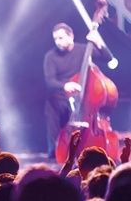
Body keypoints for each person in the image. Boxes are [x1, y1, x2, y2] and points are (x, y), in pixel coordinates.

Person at [43, 22, 113, 159]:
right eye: (55, 39)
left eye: (61, 38)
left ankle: (87, 149)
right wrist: (65, 85)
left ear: (71, 36)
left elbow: (108, 58)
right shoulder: (50, 56)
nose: (58, 42)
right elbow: (50, 81)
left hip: (81, 96)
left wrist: (98, 42)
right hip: (60, 96)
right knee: (52, 104)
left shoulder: (83, 50)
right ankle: (55, 152)